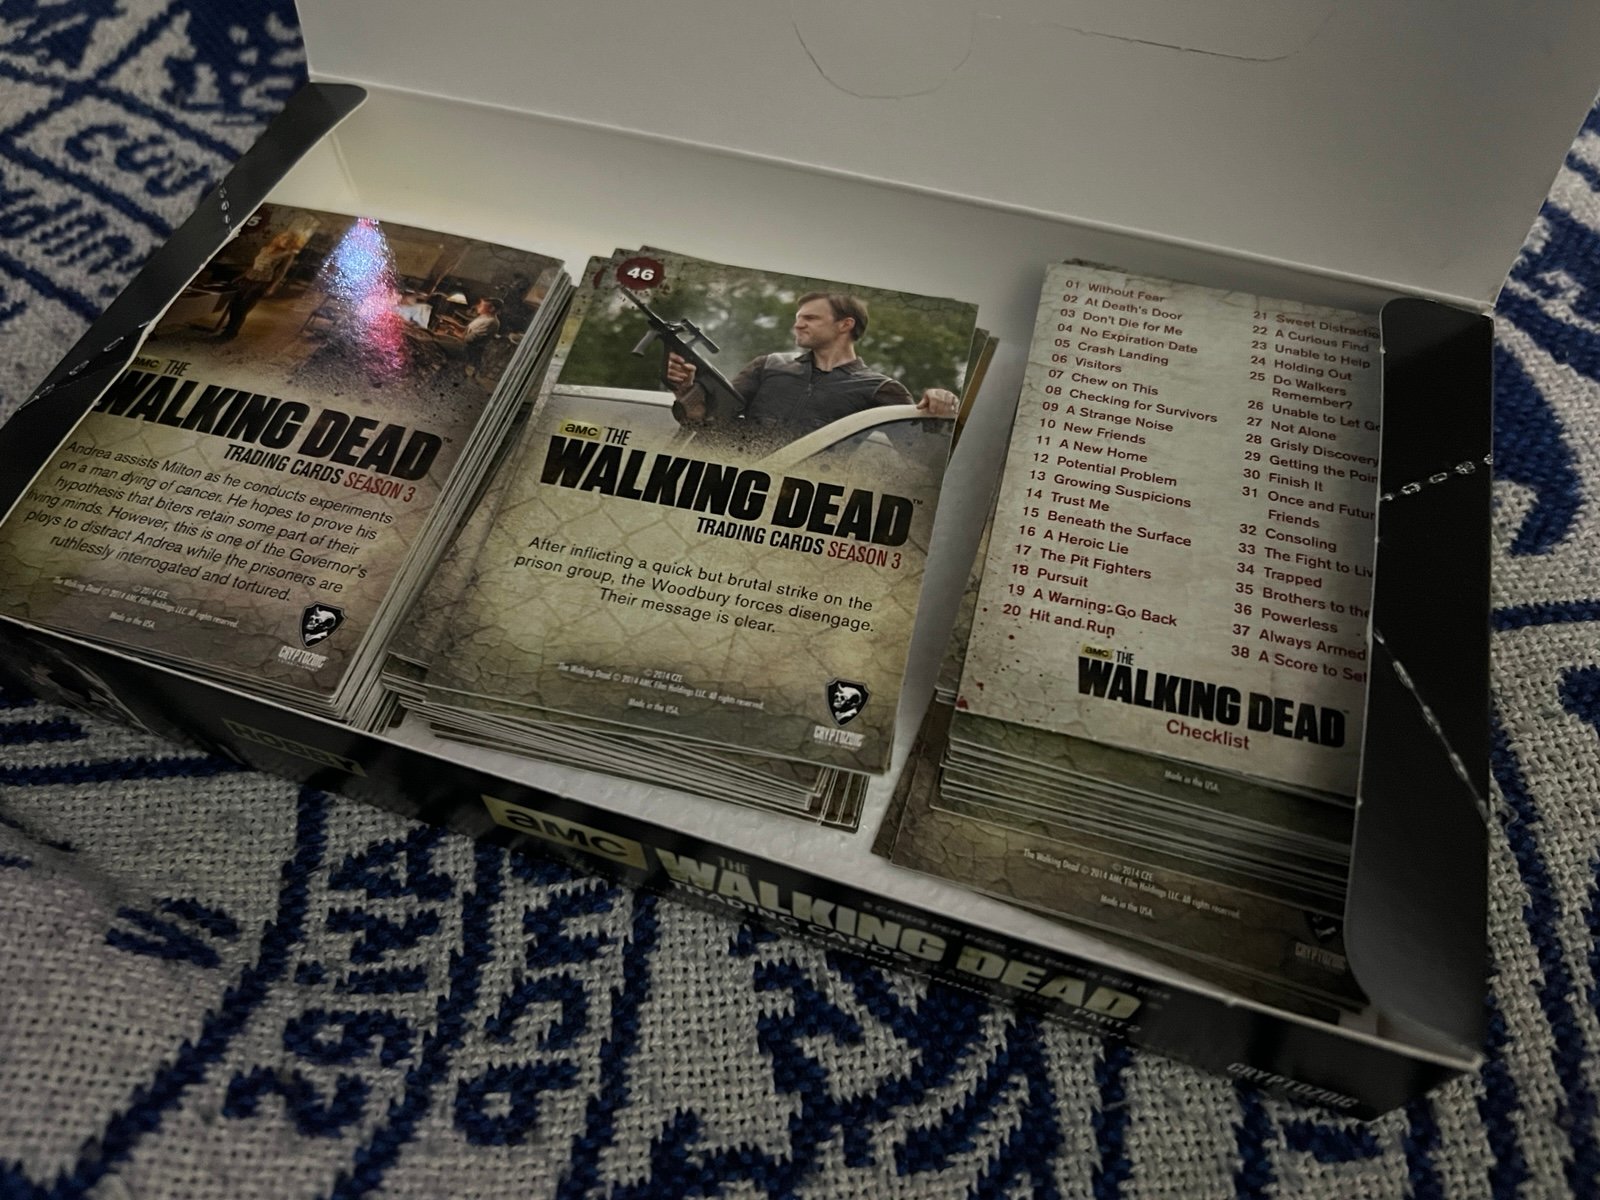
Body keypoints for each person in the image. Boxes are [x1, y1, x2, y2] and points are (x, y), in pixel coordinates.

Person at [665, 292, 958, 448]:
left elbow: (918, 458)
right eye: (798, 318)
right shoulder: (767, 365)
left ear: (845, 324)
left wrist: (939, 410)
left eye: (810, 318)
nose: (798, 324)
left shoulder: (881, 389)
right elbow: (707, 422)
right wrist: (688, 390)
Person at [216, 229, 306, 341]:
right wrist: (240, 276)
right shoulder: (265, 249)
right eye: (285, 238)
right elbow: (254, 265)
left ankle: (230, 333)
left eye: (290, 241)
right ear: (280, 238)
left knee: (243, 308)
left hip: (261, 282)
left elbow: (281, 272)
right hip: (247, 279)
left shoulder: (288, 255)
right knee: (234, 305)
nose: (286, 241)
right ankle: (229, 327)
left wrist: (272, 287)